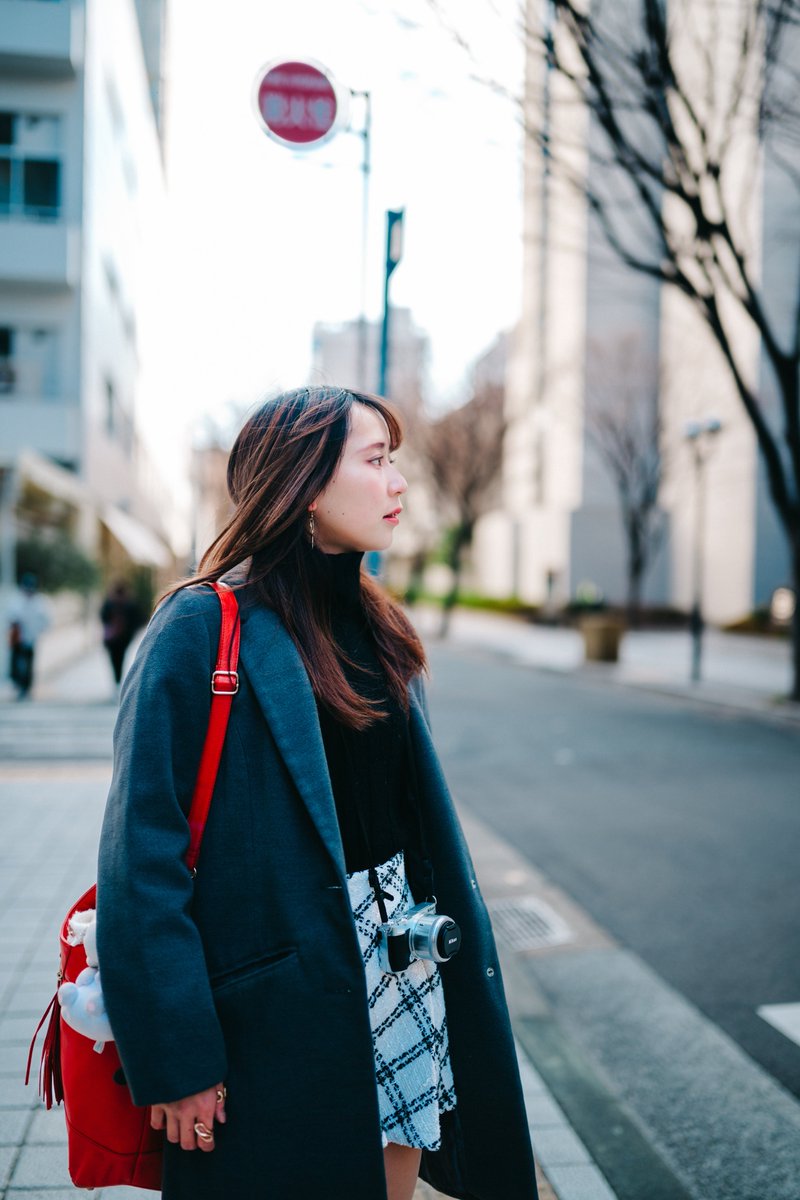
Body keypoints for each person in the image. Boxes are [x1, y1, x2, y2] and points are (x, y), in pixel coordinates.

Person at [96, 386, 538, 1200]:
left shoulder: (381, 627)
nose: (397, 482)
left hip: (401, 963)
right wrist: (177, 1056)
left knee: (392, 1181)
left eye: (394, 461)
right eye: (376, 461)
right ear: (303, 484)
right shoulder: (199, 628)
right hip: (275, 992)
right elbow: (139, 862)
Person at [7, 573, 50, 699]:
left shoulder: (40, 602)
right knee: (16, 662)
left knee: (29, 664)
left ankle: (26, 688)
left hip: (31, 638)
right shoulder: (16, 600)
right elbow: (11, 616)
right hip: (17, 638)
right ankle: (18, 683)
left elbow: (46, 620)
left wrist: (38, 631)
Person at [99, 580, 145, 689]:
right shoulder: (115, 604)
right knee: (117, 660)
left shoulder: (116, 604)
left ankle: (117, 682)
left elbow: (138, 619)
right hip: (117, 639)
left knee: (117, 660)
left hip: (119, 639)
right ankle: (118, 682)